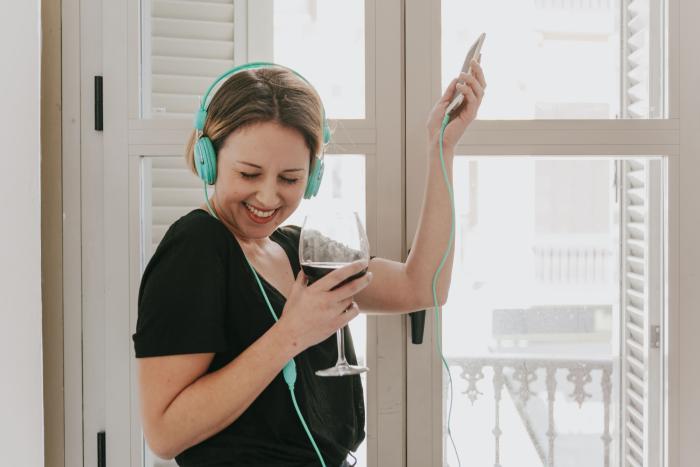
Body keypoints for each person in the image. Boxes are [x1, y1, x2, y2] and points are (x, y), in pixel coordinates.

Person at [132, 61, 486, 467]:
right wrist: (291, 334)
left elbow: (422, 286)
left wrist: (441, 147)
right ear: (209, 158)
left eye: (289, 179)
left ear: (313, 176)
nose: (268, 197)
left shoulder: (297, 248)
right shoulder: (195, 246)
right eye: (248, 174)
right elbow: (164, 433)